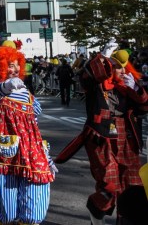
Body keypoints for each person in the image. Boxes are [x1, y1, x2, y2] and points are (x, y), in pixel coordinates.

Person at [55, 40, 148, 225]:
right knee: (109, 185)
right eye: (117, 68)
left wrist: (137, 90)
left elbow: (144, 108)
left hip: (127, 139)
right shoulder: (97, 87)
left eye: (124, 68)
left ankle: (126, 221)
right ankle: (96, 215)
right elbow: (88, 76)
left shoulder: (127, 87)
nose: (122, 72)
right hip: (102, 138)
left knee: (133, 185)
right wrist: (103, 57)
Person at [0, 41, 56, 225]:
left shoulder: (26, 93)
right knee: (6, 211)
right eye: (9, 64)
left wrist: (47, 157)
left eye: (16, 64)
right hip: (5, 154)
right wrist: (5, 86)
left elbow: (34, 126)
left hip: (31, 152)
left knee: (35, 204)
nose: (14, 69)